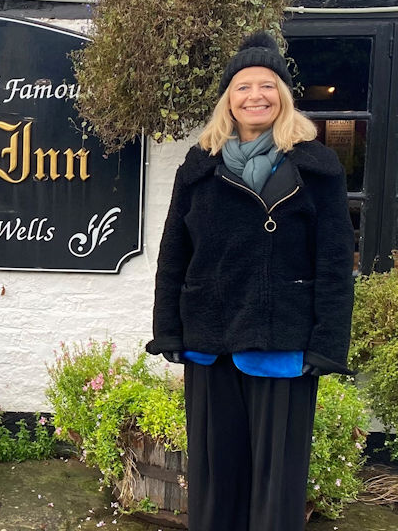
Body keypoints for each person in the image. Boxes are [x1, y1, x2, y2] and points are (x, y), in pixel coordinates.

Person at [146, 31, 354, 531]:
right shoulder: (198, 168)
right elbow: (174, 253)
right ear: (228, 100)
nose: (255, 95)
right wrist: (168, 329)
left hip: (282, 341)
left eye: (267, 85)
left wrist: (328, 342)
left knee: (276, 486)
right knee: (217, 478)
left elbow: (333, 261)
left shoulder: (317, 168)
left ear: (283, 95)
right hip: (211, 340)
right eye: (243, 87)